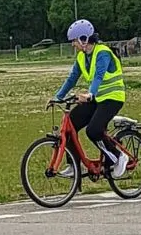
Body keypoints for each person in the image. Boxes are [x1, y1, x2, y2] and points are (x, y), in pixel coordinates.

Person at [53, 19, 128, 178]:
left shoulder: (103, 53)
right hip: (96, 99)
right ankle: (74, 164)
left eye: (74, 41)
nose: (73, 44)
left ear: (84, 39)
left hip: (112, 98)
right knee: (69, 126)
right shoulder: (81, 57)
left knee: (93, 130)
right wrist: (57, 97)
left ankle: (118, 156)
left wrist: (90, 94)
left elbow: (99, 76)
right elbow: (72, 78)